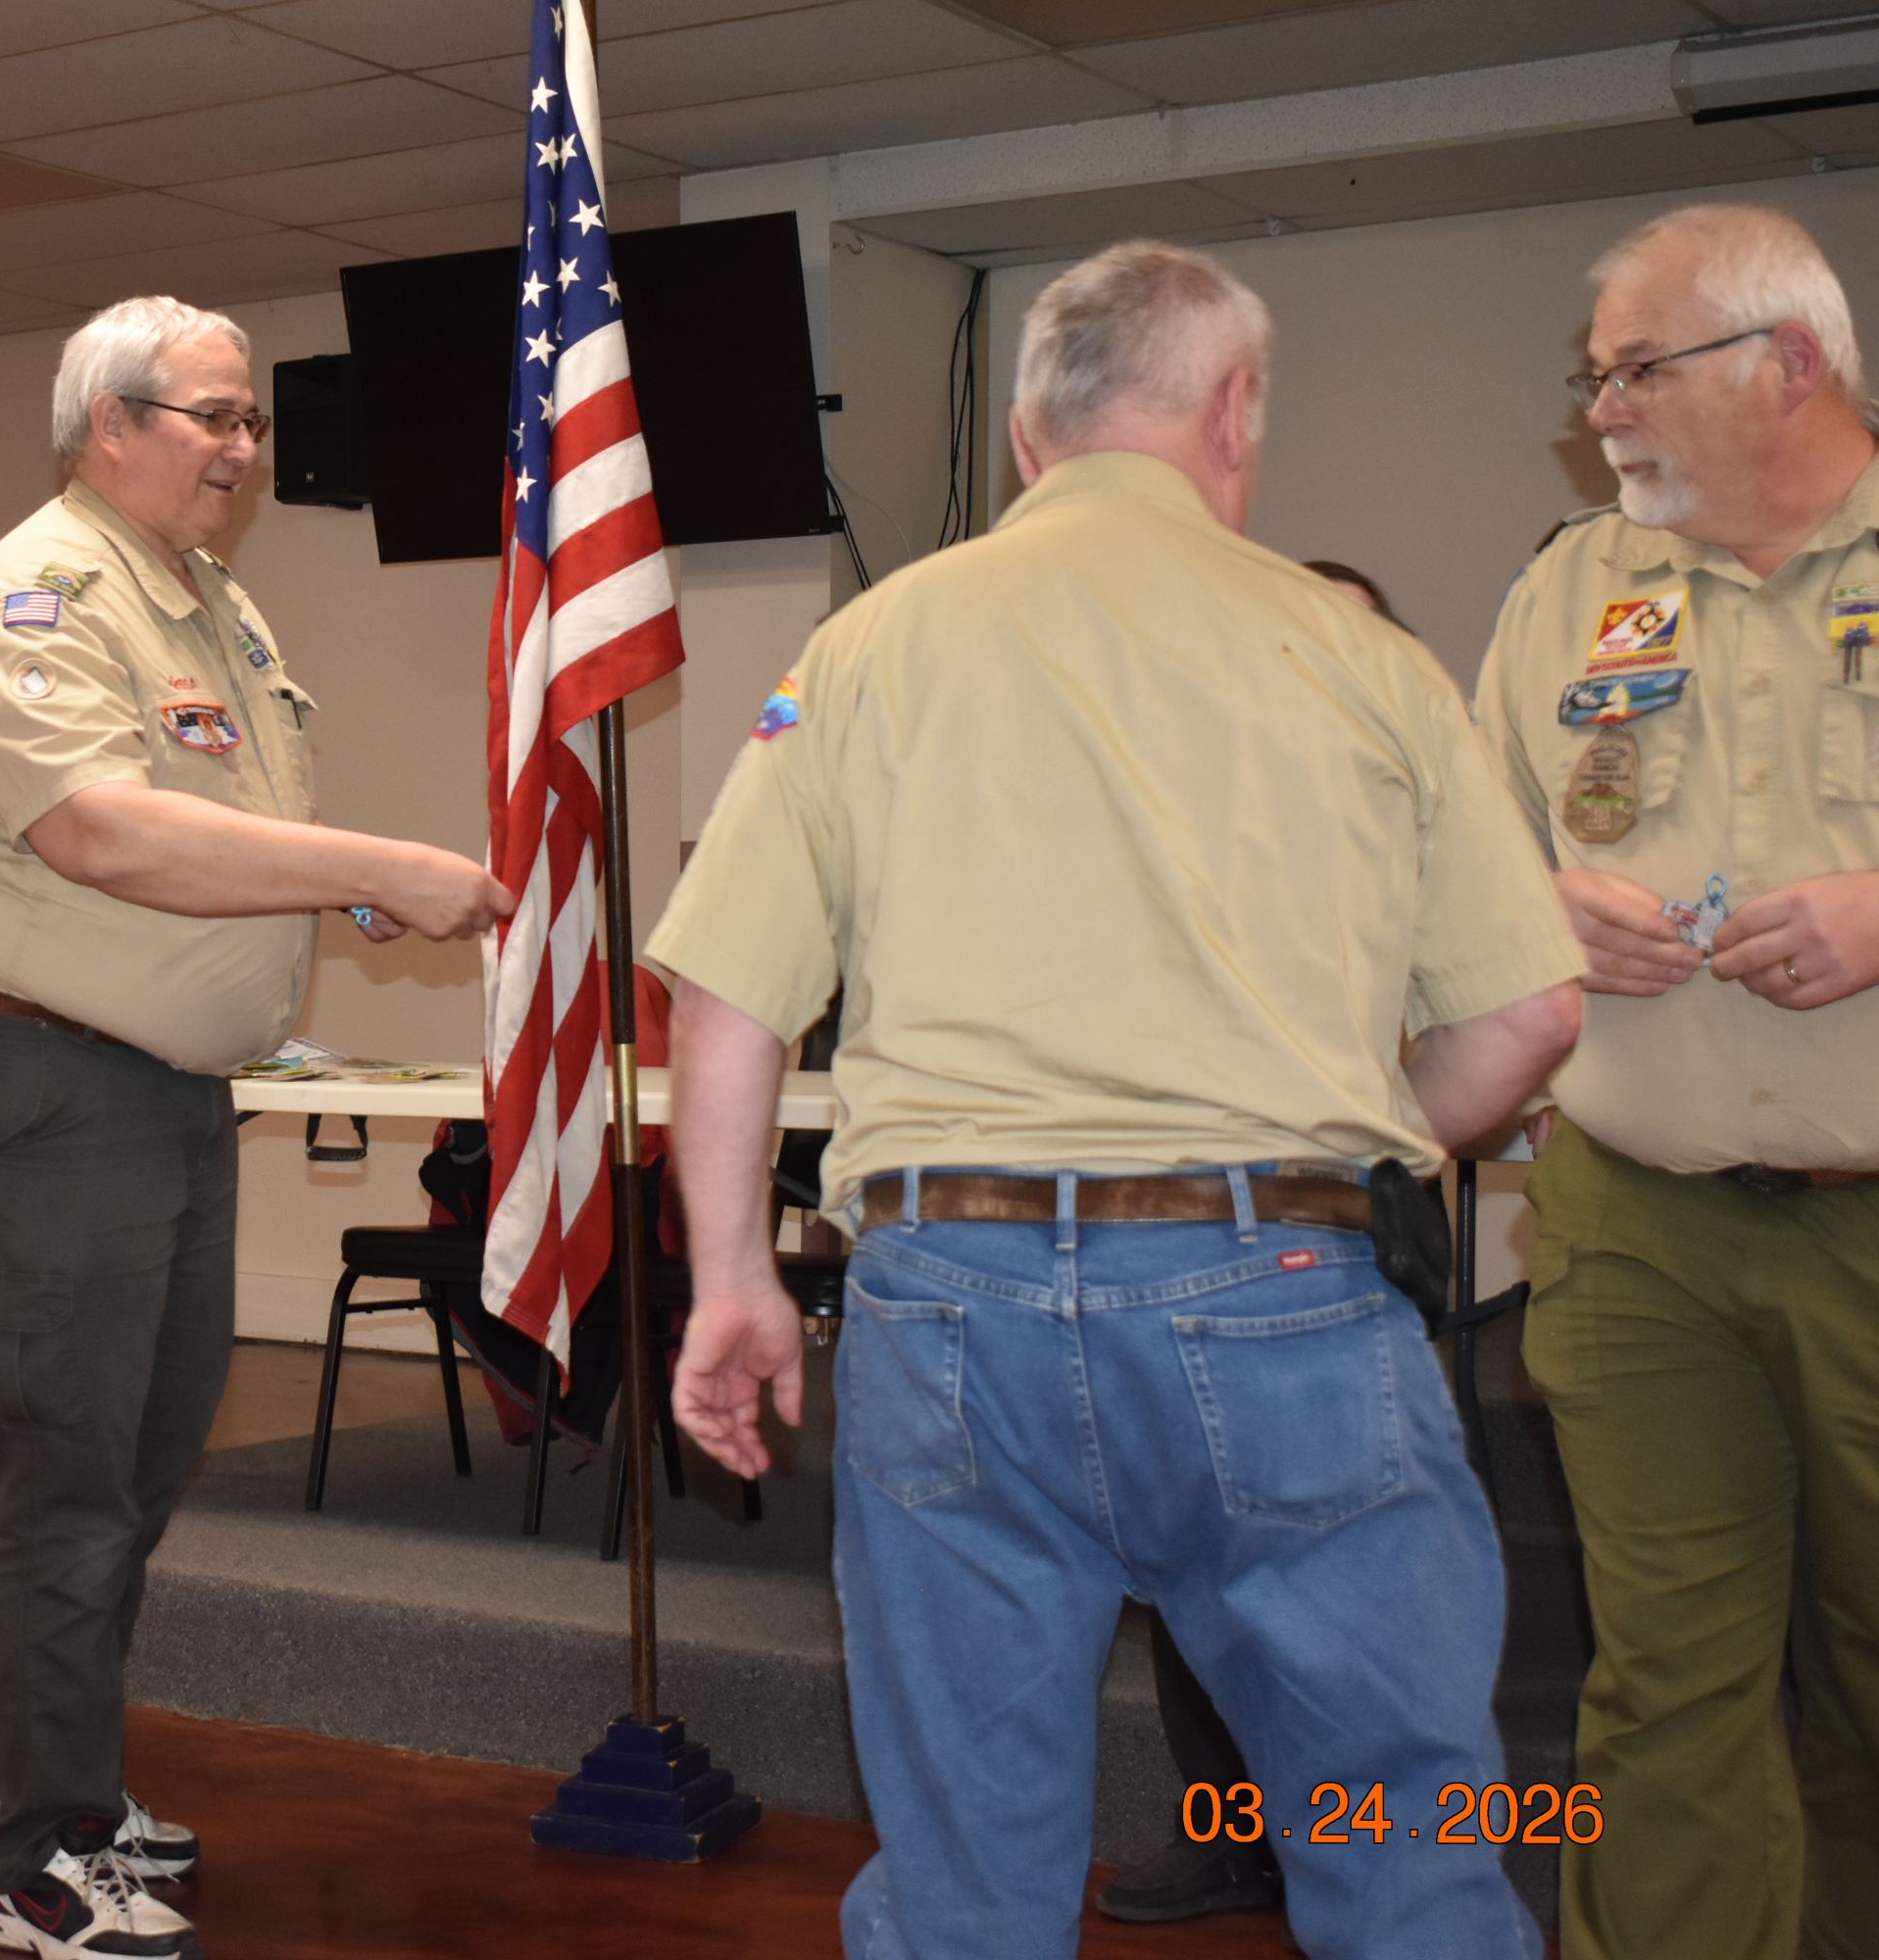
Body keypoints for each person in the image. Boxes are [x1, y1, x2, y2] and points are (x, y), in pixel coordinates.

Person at [649, 240, 1584, 1960]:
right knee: (1410, 1851)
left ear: (1028, 437)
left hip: (949, 1300)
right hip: (1282, 1292)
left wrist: (729, 1280)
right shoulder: (1362, 656)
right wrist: (1347, 1134)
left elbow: (725, 997)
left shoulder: (866, 646)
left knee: (964, 1878)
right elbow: (1529, 1017)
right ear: (1235, 412)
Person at [0, 294, 511, 1960]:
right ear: (113, 425)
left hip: (163, 1086)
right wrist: (378, 867)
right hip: (43, 1078)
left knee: (143, 1461)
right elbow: (101, 834)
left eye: (252, 421)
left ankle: (47, 1766)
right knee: (67, 1474)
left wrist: (328, 897)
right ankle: (34, 1862)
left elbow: (220, 828)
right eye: (215, 418)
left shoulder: (207, 600)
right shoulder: (37, 592)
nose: (247, 449)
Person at [1469, 202, 1879, 1960]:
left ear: (1790, 360)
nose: (1604, 412)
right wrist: (1534, 909)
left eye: (1638, 370)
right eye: (1595, 377)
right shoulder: (1574, 584)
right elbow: (1460, 860)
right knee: (1667, 1686)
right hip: (1638, 1228)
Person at [1099, 557, 1416, 1933]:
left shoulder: (1424, 827)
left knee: (1346, 1560)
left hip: (1351, 1215)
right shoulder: (1176, 826)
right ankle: (1231, 1825)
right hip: (1181, 1218)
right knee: (1193, 1539)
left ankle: (1359, 1843)